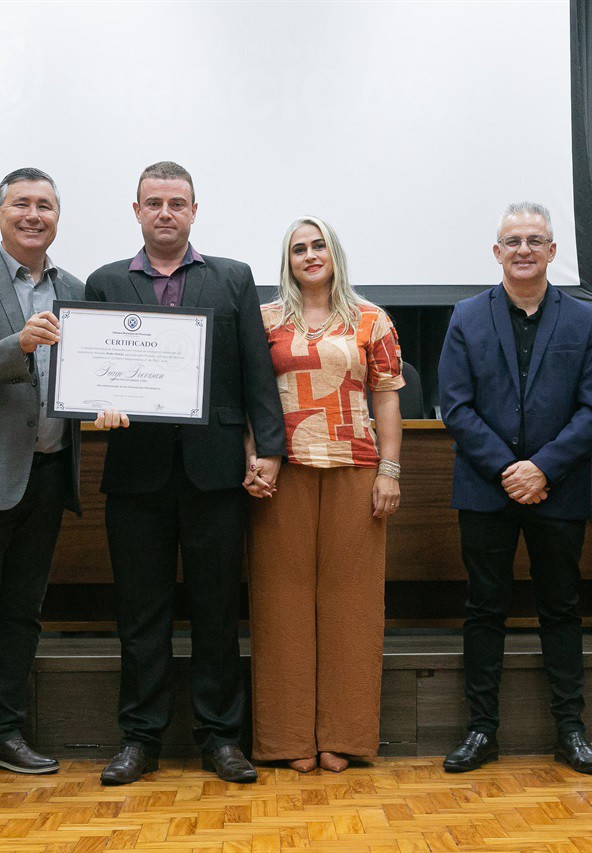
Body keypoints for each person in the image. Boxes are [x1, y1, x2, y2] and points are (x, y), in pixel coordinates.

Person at [86, 161, 285, 785]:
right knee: (140, 614)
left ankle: (221, 738)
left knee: (217, 610)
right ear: (137, 210)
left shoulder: (232, 279)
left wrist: (270, 449)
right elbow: (89, 375)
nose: (165, 212)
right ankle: (139, 738)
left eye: (177, 203)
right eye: (154, 202)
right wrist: (97, 405)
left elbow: (257, 371)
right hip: (136, 475)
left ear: (194, 211)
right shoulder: (104, 282)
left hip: (216, 473)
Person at [0, 168, 126, 787]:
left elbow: (92, 376)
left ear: (58, 218)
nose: (33, 215)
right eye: (21, 204)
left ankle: (3, 732)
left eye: (45, 205)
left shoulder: (75, 287)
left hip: (46, 475)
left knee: (22, 614)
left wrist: (108, 400)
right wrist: (16, 345)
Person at [437, 202, 592, 775]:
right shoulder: (465, 316)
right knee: (484, 609)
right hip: (486, 491)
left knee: (561, 608)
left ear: (554, 251)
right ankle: (481, 730)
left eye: (536, 240)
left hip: (557, 491)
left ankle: (572, 730)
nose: (524, 250)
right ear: (496, 252)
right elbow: (455, 407)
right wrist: (510, 469)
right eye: (512, 241)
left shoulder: (584, 321)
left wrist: (542, 469)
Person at [247, 216, 404, 773]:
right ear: (287, 261)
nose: (310, 255)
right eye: (298, 248)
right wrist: (252, 458)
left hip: (356, 469)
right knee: (280, 604)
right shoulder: (264, 320)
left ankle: (344, 735)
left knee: (351, 605)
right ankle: (286, 739)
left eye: (318, 246)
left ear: (334, 253)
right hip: (281, 473)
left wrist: (390, 470)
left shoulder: (371, 320)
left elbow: (386, 398)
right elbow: (250, 396)